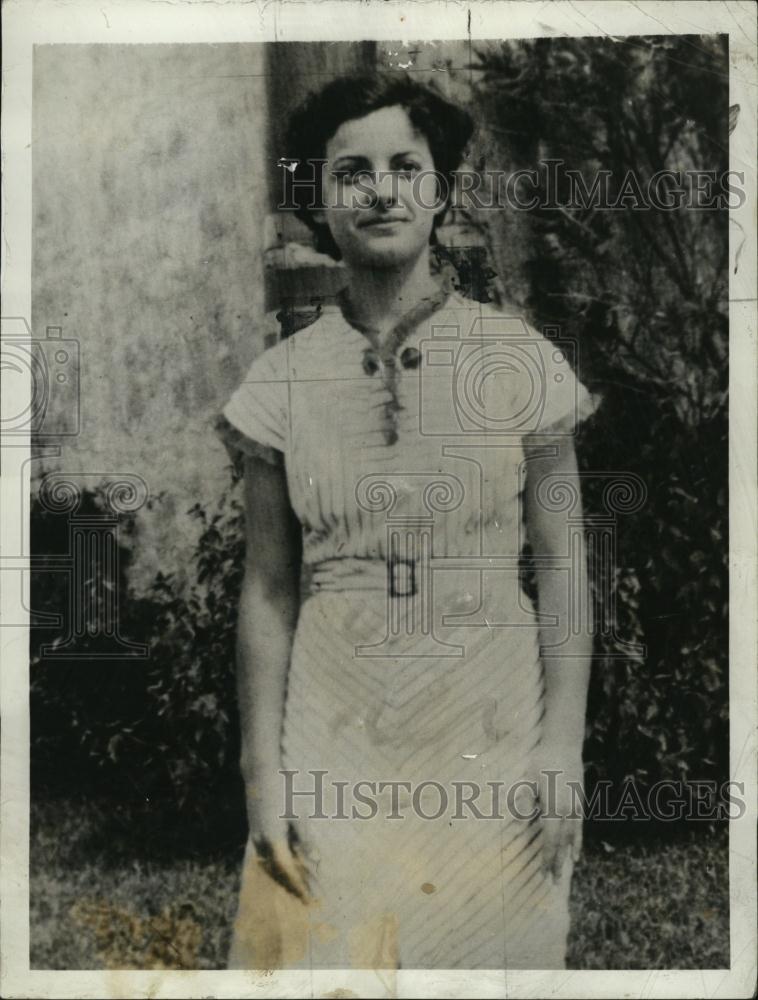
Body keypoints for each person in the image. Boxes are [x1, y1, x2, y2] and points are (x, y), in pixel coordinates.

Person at [214, 72, 595, 974]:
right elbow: (267, 591)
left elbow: (564, 568)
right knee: (321, 961)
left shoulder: (517, 361)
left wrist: (562, 747)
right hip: (334, 717)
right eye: (352, 172)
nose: (381, 191)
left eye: (405, 167)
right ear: (318, 198)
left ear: (439, 189)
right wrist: (264, 772)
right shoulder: (281, 383)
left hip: (489, 715)